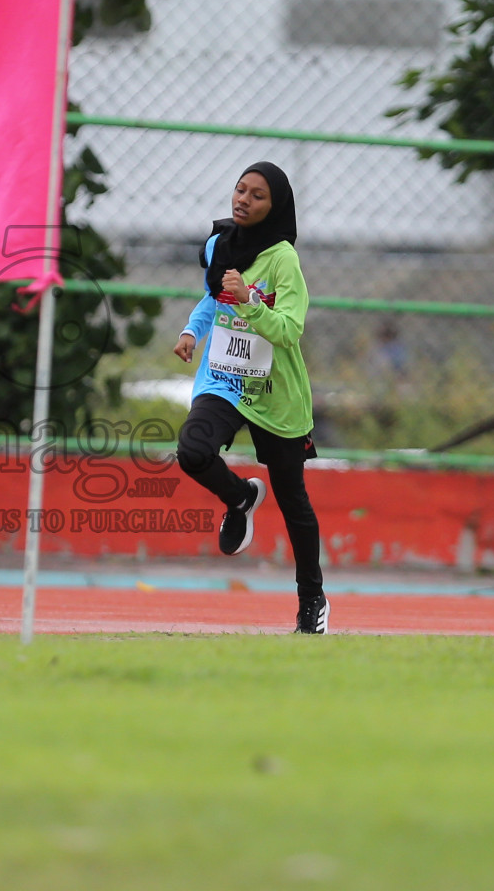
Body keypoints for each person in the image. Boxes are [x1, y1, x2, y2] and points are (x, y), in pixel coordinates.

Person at [173, 162, 327, 633]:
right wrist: (191, 331)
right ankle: (240, 498)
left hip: (274, 389)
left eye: (257, 195)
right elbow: (209, 298)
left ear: (274, 206)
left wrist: (250, 303)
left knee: (292, 498)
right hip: (223, 378)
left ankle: (311, 598)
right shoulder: (221, 245)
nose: (243, 199)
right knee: (192, 451)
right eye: (240, 189)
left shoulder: (283, 260)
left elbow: (290, 329)